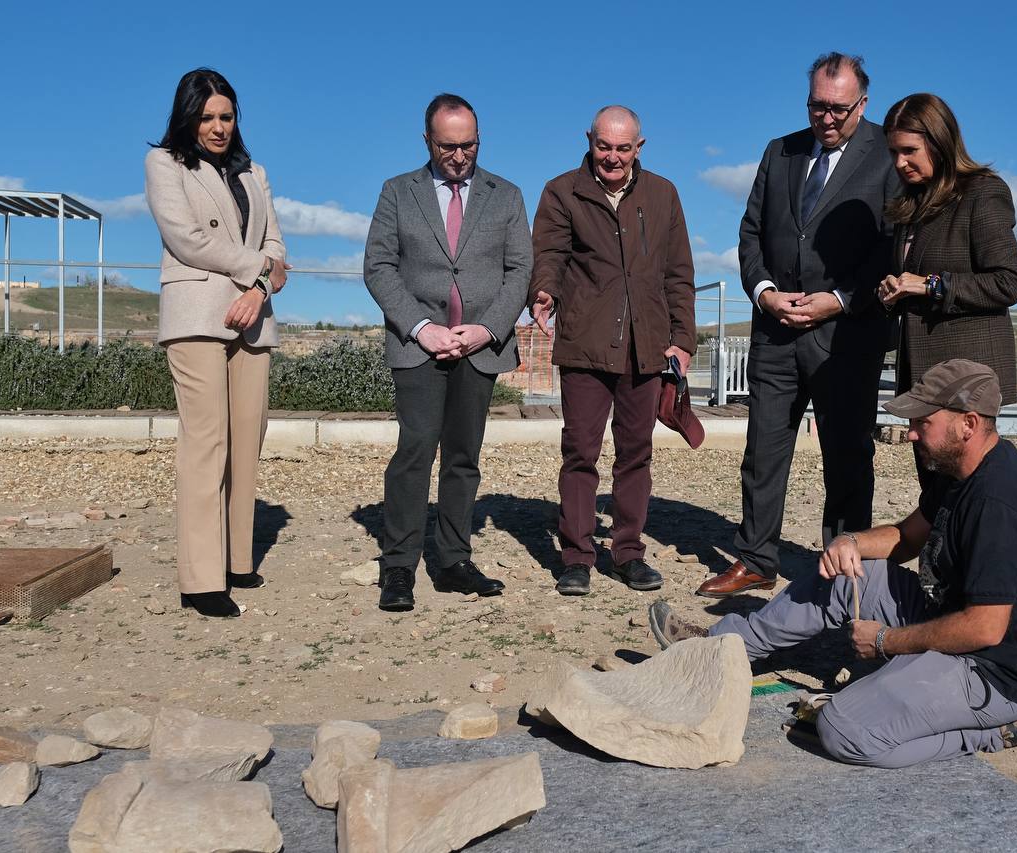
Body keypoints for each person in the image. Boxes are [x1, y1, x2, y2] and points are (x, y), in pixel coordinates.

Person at [651, 359, 1017, 769]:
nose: (909, 433)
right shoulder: (959, 469)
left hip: (999, 673)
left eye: (923, 422)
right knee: (848, 574)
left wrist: (887, 641)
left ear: (969, 423)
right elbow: (907, 537)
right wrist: (851, 542)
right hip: (955, 623)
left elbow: (985, 627)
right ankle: (721, 649)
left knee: (843, 729)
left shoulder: (999, 501)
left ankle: (994, 731)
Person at [698, 53, 899, 599]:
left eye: (838, 108)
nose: (826, 118)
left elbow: (891, 248)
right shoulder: (779, 151)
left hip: (847, 336)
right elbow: (750, 233)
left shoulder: (889, 155)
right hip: (776, 333)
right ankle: (756, 558)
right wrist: (764, 293)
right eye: (817, 106)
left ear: (863, 103)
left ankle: (843, 567)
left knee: (847, 456)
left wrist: (838, 299)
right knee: (763, 451)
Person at [363, 94, 532, 613]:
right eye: (448, 146)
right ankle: (398, 566)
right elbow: (379, 267)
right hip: (419, 348)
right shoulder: (397, 192)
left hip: (480, 348)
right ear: (427, 141)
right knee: (415, 452)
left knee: (464, 457)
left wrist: (486, 329)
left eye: (470, 144)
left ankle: (455, 560)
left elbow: (520, 270)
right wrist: (421, 328)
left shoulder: (506, 195)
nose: (460, 155)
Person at [529, 105, 696, 596]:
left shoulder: (663, 194)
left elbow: (678, 273)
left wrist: (682, 339)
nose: (613, 157)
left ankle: (627, 552)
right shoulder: (562, 191)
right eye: (605, 146)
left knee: (635, 455)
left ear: (639, 147)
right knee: (580, 452)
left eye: (624, 148)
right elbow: (550, 254)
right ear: (590, 140)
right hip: (585, 343)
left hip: (646, 346)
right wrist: (544, 291)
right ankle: (577, 557)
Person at [145, 68, 289, 618]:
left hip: (252, 317)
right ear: (188, 117)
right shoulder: (165, 164)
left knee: (247, 440)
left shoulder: (254, 172)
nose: (217, 126)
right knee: (206, 443)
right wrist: (259, 270)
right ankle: (200, 578)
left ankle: (236, 558)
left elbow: (276, 242)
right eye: (206, 117)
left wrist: (257, 288)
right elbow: (187, 238)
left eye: (225, 116)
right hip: (197, 315)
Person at [876, 93, 1017, 486]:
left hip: (966, 382)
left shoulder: (983, 192)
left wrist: (931, 285)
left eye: (909, 150)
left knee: (967, 491)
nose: (899, 163)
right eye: (893, 152)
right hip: (922, 375)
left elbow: (1008, 283)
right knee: (934, 493)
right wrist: (895, 292)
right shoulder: (911, 204)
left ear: (940, 142)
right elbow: (916, 285)